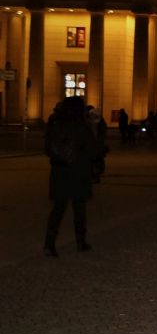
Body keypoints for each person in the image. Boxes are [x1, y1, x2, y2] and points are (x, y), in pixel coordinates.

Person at [43, 96, 104, 256]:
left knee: (57, 209)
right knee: (79, 209)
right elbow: (94, 151)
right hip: (78, 172)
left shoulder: (55, 125)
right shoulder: (81, 127)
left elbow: (47, 148)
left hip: (59, 172)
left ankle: (49, 243)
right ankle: (80, 241)